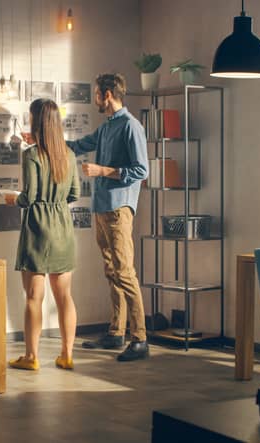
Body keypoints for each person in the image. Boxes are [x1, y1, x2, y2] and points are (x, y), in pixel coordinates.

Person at [66, 73, 150, 362]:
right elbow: (77, 146)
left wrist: (103, 171)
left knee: (125, 272)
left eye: (96, 94)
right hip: (102, 209)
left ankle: (140, 339)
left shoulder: (131, 126)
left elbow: (142, 170)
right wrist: (43, 140)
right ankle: (116, 333)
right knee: (111, 270)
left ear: (107, 94)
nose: (94, 99)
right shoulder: (106, 128)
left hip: (118, 209)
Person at [6, 98, 80, 371]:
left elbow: (30, 197)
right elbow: (75, 193)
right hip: (62, 228)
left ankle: (32, 357)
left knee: (34, 298)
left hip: (38, 229)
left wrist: (13, 200)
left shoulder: (31, 155)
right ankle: (67, 354)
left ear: (35, 121)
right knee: (65, 298)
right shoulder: (69, 156)